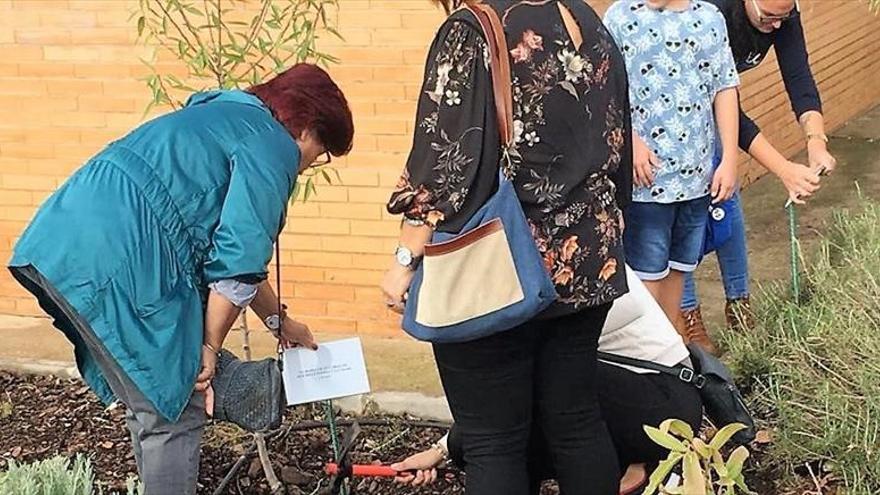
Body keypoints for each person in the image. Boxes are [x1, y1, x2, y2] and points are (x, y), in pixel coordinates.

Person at [7, 64, 354, 495]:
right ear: (306, 127)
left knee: (152, 402)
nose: (309, 166)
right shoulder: (273, 144)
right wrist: (207, 349)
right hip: (122, 259)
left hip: (59, 244)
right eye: (321, 153)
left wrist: (279, 323)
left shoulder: (222, 116)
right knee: (175, 408)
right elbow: (239, 260)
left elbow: (234, 256)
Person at [380, 0, 633, 493]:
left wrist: (406, 258)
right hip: (589, 258)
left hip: (499, 264)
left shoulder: (471, 30)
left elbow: (444, 162)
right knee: (577, 422)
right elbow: (618, 140)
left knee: (493, 440)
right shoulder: (587, 20)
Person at [391, 267, 703, 494]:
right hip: (612, 395)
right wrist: (441, 451)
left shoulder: (575, 252)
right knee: (492, 438)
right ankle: (622, 466)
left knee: (498, 434)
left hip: (661, 398)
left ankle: (633, 462)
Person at [680, 0, 838, 344]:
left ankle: (739, 304)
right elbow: (727, 107)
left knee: (727, 197)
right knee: (686, 206)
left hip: (717, 105)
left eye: (784, 17)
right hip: (675, 110)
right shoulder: (714, 13)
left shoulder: (781, 13)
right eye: (769, 17)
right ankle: (687, 312)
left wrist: (816, 139)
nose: (777, 26)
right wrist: (783, 169)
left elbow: (799, 76)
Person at [603, 0, 740, 352]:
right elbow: (605, 88)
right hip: (646, 185)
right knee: (646, 282)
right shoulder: (621, 17)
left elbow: (724, 87)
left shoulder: (708, 18)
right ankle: (648, 369)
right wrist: (630, 140)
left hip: (696, 181)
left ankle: (667, 364)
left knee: (679, 272)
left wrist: (728, 161)